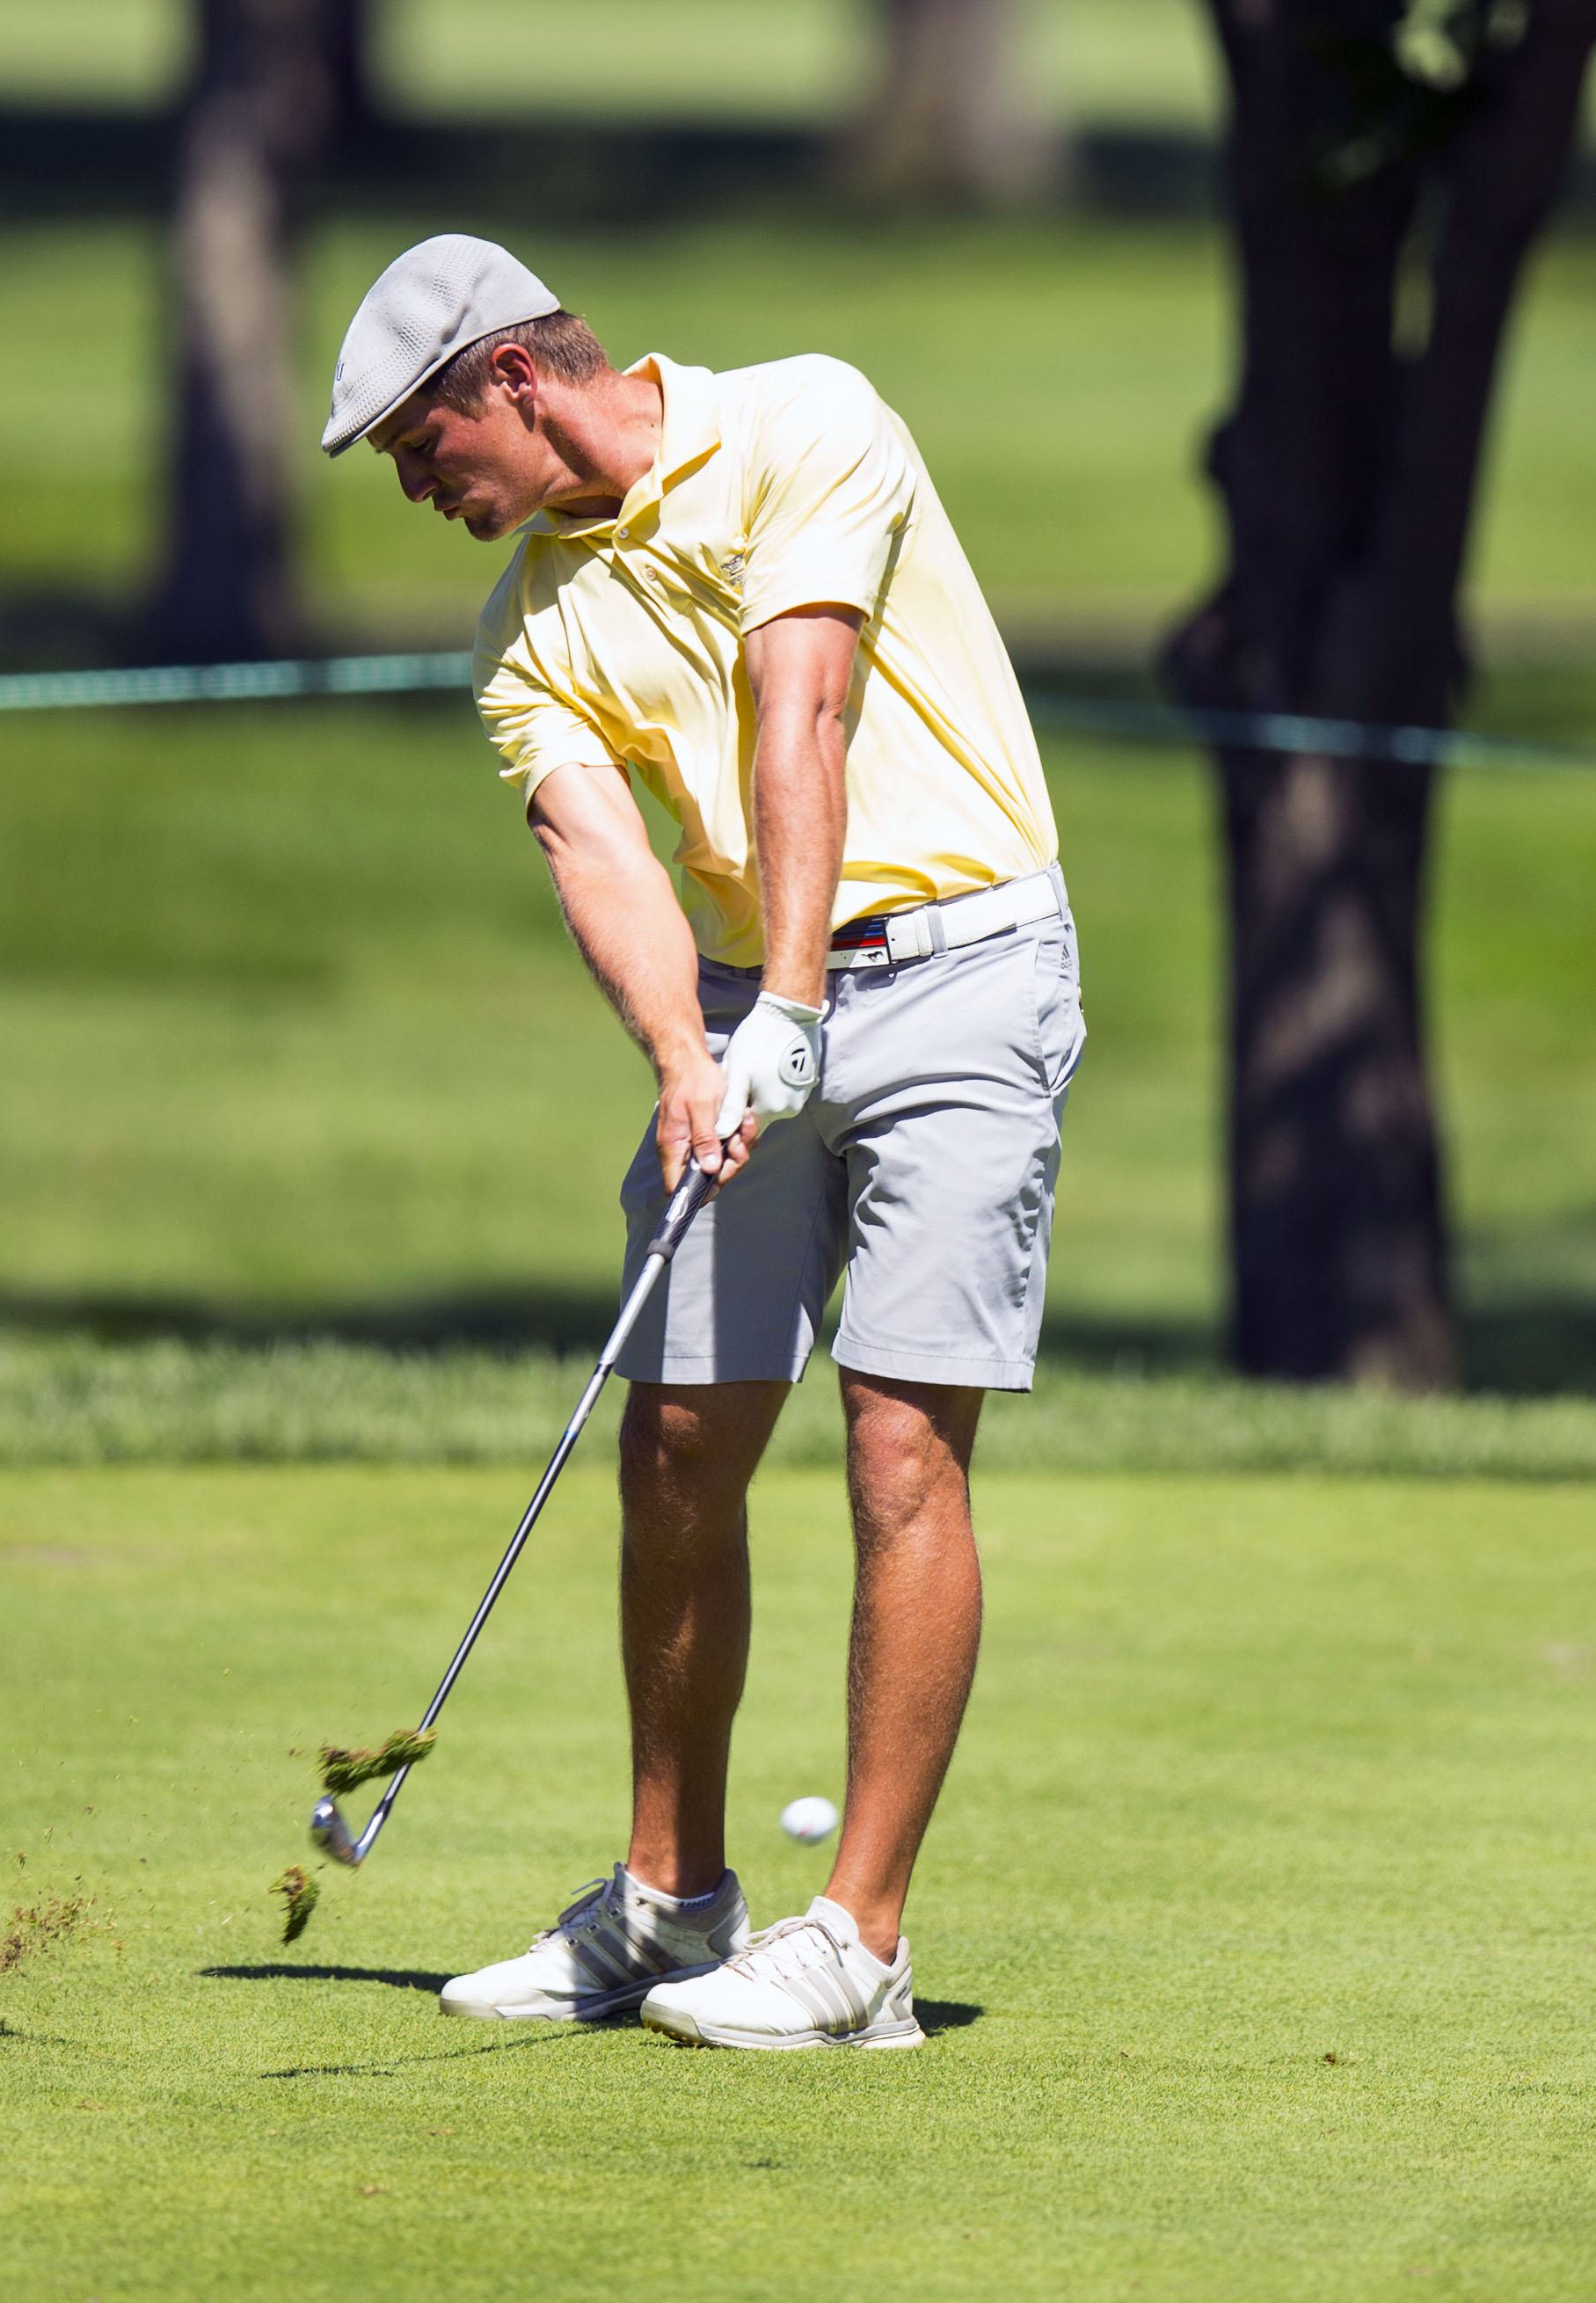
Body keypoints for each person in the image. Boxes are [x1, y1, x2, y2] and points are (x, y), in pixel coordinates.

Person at [322, 235, 1083, 2052]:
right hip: (749, 1002)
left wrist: (797, 1005)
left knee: (901, 1440)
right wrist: (691, 1049)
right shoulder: (527, 628)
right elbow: (600, 849)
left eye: (426, 444)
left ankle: (861, 1949)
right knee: (675, 1432)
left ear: (512, 374)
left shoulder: (809, 420)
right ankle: (672, 1907)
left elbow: (796, 706)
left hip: (964, 967)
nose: (422, 487)